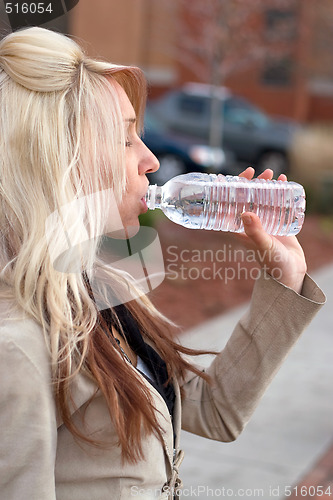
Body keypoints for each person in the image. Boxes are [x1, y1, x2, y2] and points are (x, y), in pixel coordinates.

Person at [0, 27, 326, 500]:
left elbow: (212, 410)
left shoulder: (101, 277)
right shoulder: (18, 345)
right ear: (55, 160)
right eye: (125, 139)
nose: (151, 160)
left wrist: (284, 276)